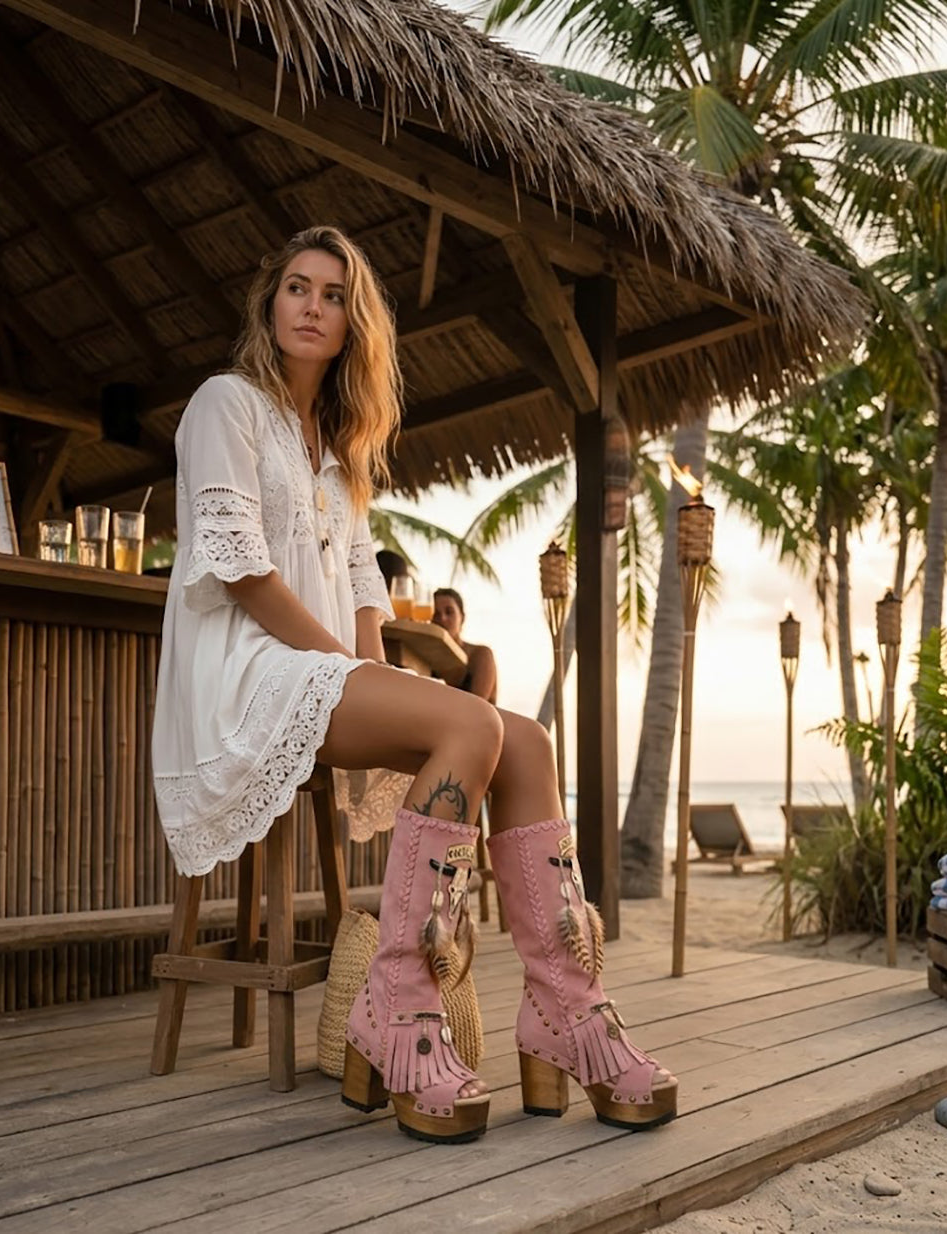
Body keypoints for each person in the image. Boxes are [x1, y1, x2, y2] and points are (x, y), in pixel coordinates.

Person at [152, 225, 676, 1147]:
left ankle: (567, 1007)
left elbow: (364, 601)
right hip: (242, 678)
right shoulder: (224, 405)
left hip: (318, 674)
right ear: (269, 304)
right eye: (297, 288)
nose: (313, 307)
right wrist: (358, 676)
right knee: (473, 724)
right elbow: (239, 571)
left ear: (356, 323)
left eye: (334, 295)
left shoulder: (341, 450)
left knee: (526, 739)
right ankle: (399, 1008)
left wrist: (388, 691)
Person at [431, 587, 498, 703]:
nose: (442, 618)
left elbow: (477, 706)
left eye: (449, 612)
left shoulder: (480, 654)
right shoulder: (427, 658)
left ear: (462, 618)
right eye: (436, 613)